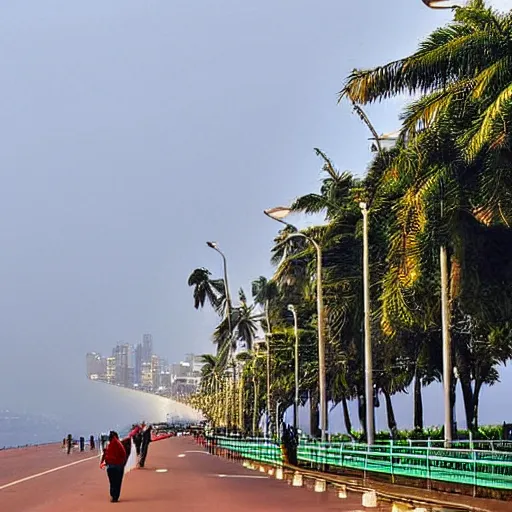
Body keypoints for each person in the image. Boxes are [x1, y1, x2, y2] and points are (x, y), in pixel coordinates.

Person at [100, 431, 127, 503]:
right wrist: (122, 463)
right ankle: (115, 497)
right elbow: (123, 454)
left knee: (112, 482)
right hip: (118, 466)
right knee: (118, 482)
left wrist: (102, 462)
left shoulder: (108, 444)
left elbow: (105, 454)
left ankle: (113, 495)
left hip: (110, 466)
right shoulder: (119, 443)